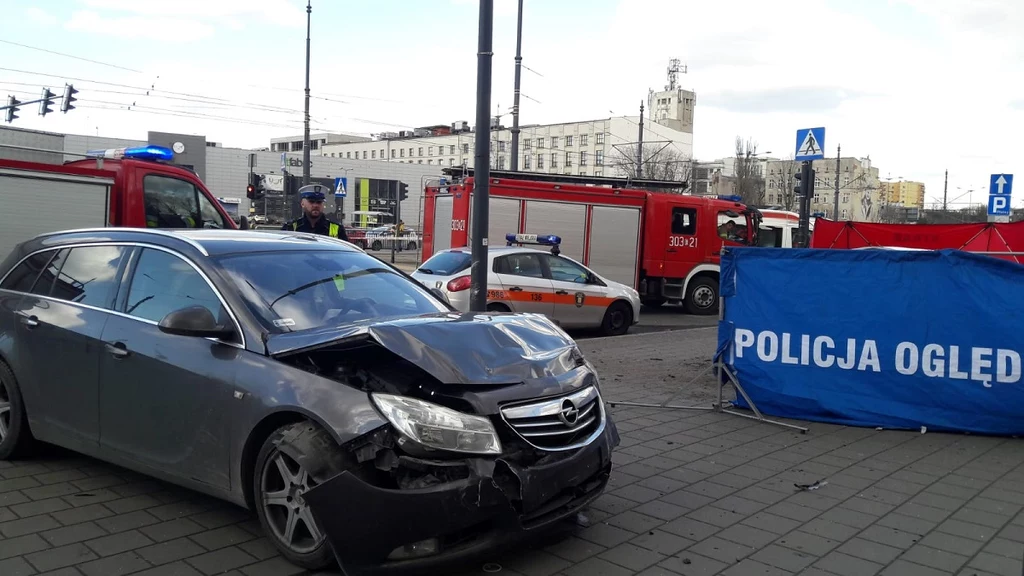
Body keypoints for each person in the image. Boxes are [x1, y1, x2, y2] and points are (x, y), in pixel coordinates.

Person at [283, 184, 348, 241]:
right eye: (311, 201)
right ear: (302, 204)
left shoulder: (337, 229)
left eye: (319, 202)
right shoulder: (290, 228)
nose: (315, 205)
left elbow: (346, 253)